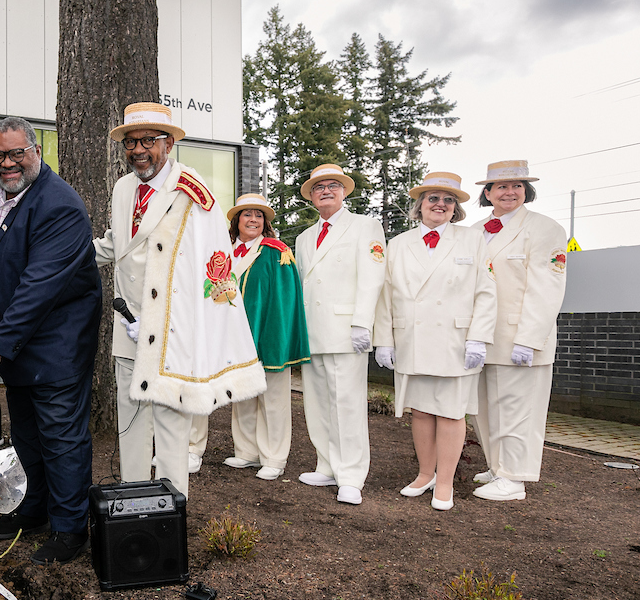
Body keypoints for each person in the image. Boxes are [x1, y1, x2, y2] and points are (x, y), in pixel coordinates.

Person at [93, 102, 265, 498]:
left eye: (149, 141)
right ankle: (134, 505)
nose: (139, 150)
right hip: (128, 325)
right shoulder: (123, 189)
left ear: (168, 143)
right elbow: (117, 244)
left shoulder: (192, 191)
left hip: (171, 329)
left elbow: (209, 268)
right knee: (131, 421)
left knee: (171, 428)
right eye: (131, 142)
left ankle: (172, 512)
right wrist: (57, 256)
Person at [0, 117, 102, 564]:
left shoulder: (60, 206)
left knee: (60, 436)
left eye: (17, 153)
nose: (8, 163)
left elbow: (38, 289)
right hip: (15, 343)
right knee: (25, 434)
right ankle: (30, 509)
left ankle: (69, 528)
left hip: (54, 345)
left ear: (36, 152)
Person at [373, 173, 497, 511]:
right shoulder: (399, 243)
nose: (440, 205)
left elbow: (486, 292)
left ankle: (445, 483)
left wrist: (478, 338)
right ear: (420, 206)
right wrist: (384, 339)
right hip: (412, 339)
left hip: (455, 341)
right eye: (433, 198)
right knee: (421, 410)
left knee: (452, 413)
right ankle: (425, 473)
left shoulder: (472, 240)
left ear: (455, 208)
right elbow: (386, 295)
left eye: (447, 200)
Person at [190, 194, 310, 480]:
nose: (253, 220)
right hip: (234, 335)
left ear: (265, 223)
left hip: (267, 332)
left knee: (272, 397)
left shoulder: (275, 251)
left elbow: (284, 300)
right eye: (247, 215)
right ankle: (247, 452)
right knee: (242, 392)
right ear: (236, 221)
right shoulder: (225, 252)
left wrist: (277, 337)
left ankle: (274, 457)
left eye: (259, 215)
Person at [467, 161, 567, 501]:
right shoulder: (475, 230)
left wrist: (529, 338)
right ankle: (498, 466)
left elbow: (546, 287)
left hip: (518, 338)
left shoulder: (545, 229)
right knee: (484, 408)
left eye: (517, 186)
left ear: (526, 191)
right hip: (481, 337)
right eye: (501, 187)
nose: (509, 192)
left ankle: (515, 478)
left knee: (518, 410)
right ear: (487, 193)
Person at [294, 164, 387, 506]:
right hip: (313, 331)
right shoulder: (304, 238)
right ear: (312, 196)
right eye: (319, 187)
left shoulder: (365, 226)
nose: (326, 191)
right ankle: (327, 465)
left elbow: (373, 276)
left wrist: (363, 322)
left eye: (333, 185)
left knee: (346, 405)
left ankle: (351, 476)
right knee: (317, 402)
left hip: (347, 331)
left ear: (344, 192)